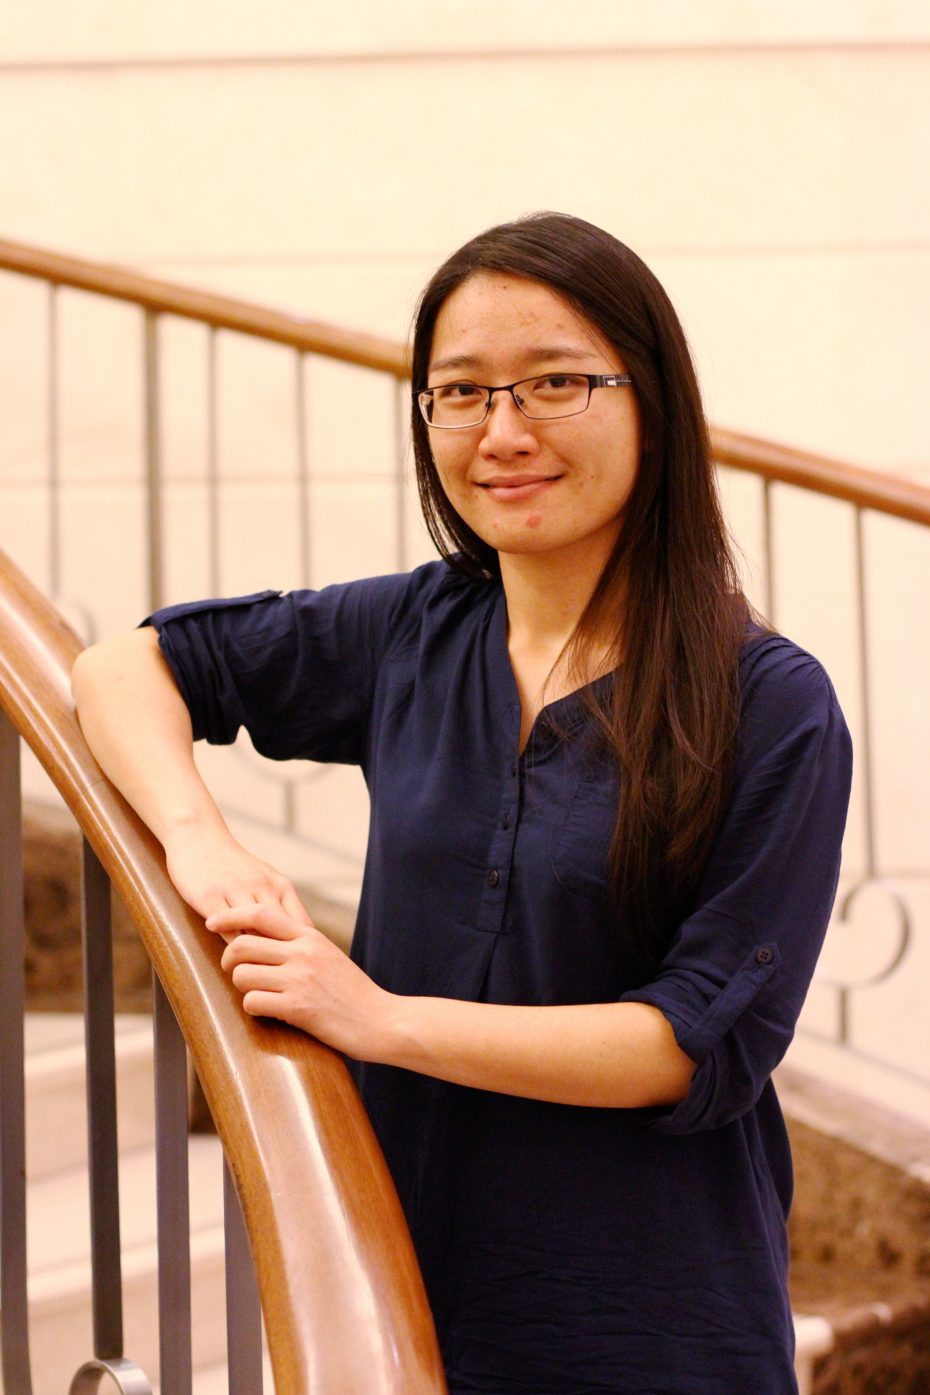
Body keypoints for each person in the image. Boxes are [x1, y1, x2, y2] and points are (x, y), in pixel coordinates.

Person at [72, 212, 852, 1395]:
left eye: (554, 383)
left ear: (653, 401)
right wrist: (201, 844)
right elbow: (124, 667)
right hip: (398, 1291)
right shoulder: (416, 630)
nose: (503, 431)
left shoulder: (770, 701)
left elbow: (691, 1044)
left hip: (652, 1327)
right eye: (461, 392)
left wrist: (377, 1019)